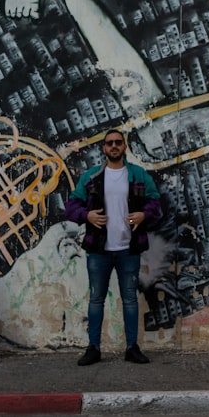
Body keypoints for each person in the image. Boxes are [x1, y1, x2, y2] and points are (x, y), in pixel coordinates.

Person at [64, 129, 161, 365]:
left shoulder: (137, 175)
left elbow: (155, 203)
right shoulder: (92, 177)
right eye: (110, 143)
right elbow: (71, 207)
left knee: (130, 300)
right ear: (104, 148)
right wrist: (87, 216)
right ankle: (94, 348)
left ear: (124, 147)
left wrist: (142, 215)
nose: (114, 146)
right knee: (96, 299)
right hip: (99, 250)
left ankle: (132, 348)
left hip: (129, 249)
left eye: (118, 142)